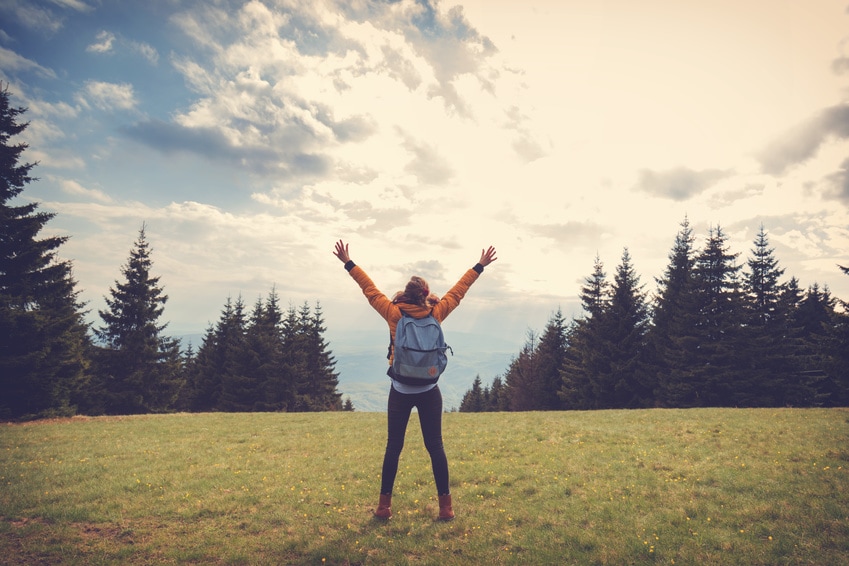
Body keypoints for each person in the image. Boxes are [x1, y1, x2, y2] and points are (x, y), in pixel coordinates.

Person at [333, 240, 498, 521]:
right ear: (425, 294)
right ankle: (446, 508)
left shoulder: (394, 313)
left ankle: (384, 507)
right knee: (435, 446)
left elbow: (369, 290)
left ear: (405, 295)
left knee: (393, 447)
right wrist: (479, 266)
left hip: (400, 390)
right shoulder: (436, 312)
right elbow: (458, 292)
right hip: (430, 390)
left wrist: (348, 262)